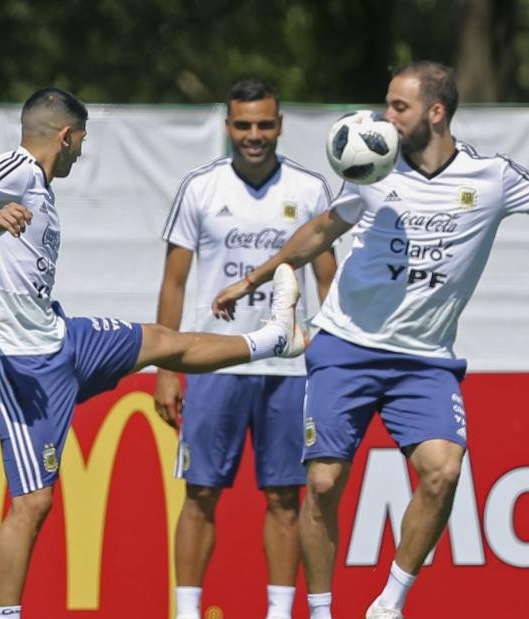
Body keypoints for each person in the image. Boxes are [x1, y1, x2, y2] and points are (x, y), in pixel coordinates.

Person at [211, 61, 529, 619]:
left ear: (435, 113)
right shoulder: (373, 166)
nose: (384, 117)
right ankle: (320, 610)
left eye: (399, 107)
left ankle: (389, 602)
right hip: (346, 345)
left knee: (443, 471)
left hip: (425, 359)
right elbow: (321, 230)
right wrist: (255, 277)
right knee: (321, 482)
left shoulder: (491, 177)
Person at [0, 87, 303, 619]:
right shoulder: (14, 166)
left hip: (62, 338)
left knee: (161, 341)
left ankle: (273, 339)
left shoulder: (38, 185)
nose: (81, 151)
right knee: (33, 501)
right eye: (81, 139)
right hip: (19, 363)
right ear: (65, 135)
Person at [154, 79, 338, 619]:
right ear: (227, 126)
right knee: (201, 493)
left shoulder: (308, 189)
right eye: (243, 125)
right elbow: (174, 283)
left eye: (264, 124)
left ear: (279, 125)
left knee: (285, 498)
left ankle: (278, 613)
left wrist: (328, 361)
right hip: (214, 361)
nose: (254, 135)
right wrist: (168, 368)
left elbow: (328, 281)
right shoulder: (200, 188)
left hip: (289, 365)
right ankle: (186, 612)